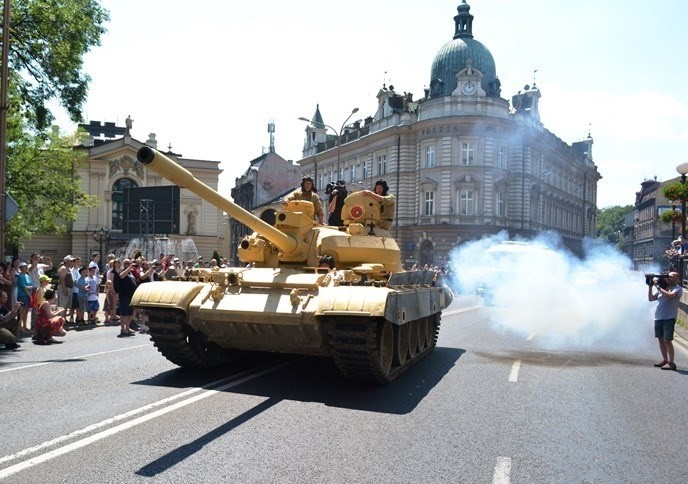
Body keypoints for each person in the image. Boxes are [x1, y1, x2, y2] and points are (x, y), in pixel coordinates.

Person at [648, 271, 682, 371]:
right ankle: (665, 360)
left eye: (671, 277)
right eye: (668, 276)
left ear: (677, 279)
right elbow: (650, 298)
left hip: (669, 318)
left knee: (668, 340)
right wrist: (650, 286)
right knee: (661, 340)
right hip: (658, 317)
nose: (668, 278)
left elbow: (669, 296)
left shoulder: (678, 289)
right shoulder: (663, 288)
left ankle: (671, 363)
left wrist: (658, 287)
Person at [116, 259, 138, 337]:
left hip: (131, 296)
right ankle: (122, 329)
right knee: (123, 313)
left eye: (129, 263)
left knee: (129, 313)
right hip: (124, 296)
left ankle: (127, 328)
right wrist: (129, 268)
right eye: (127, 263)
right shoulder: (121, 271)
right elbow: (121, 276)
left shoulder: (131, 273)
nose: (128, 265)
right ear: (124, 264)